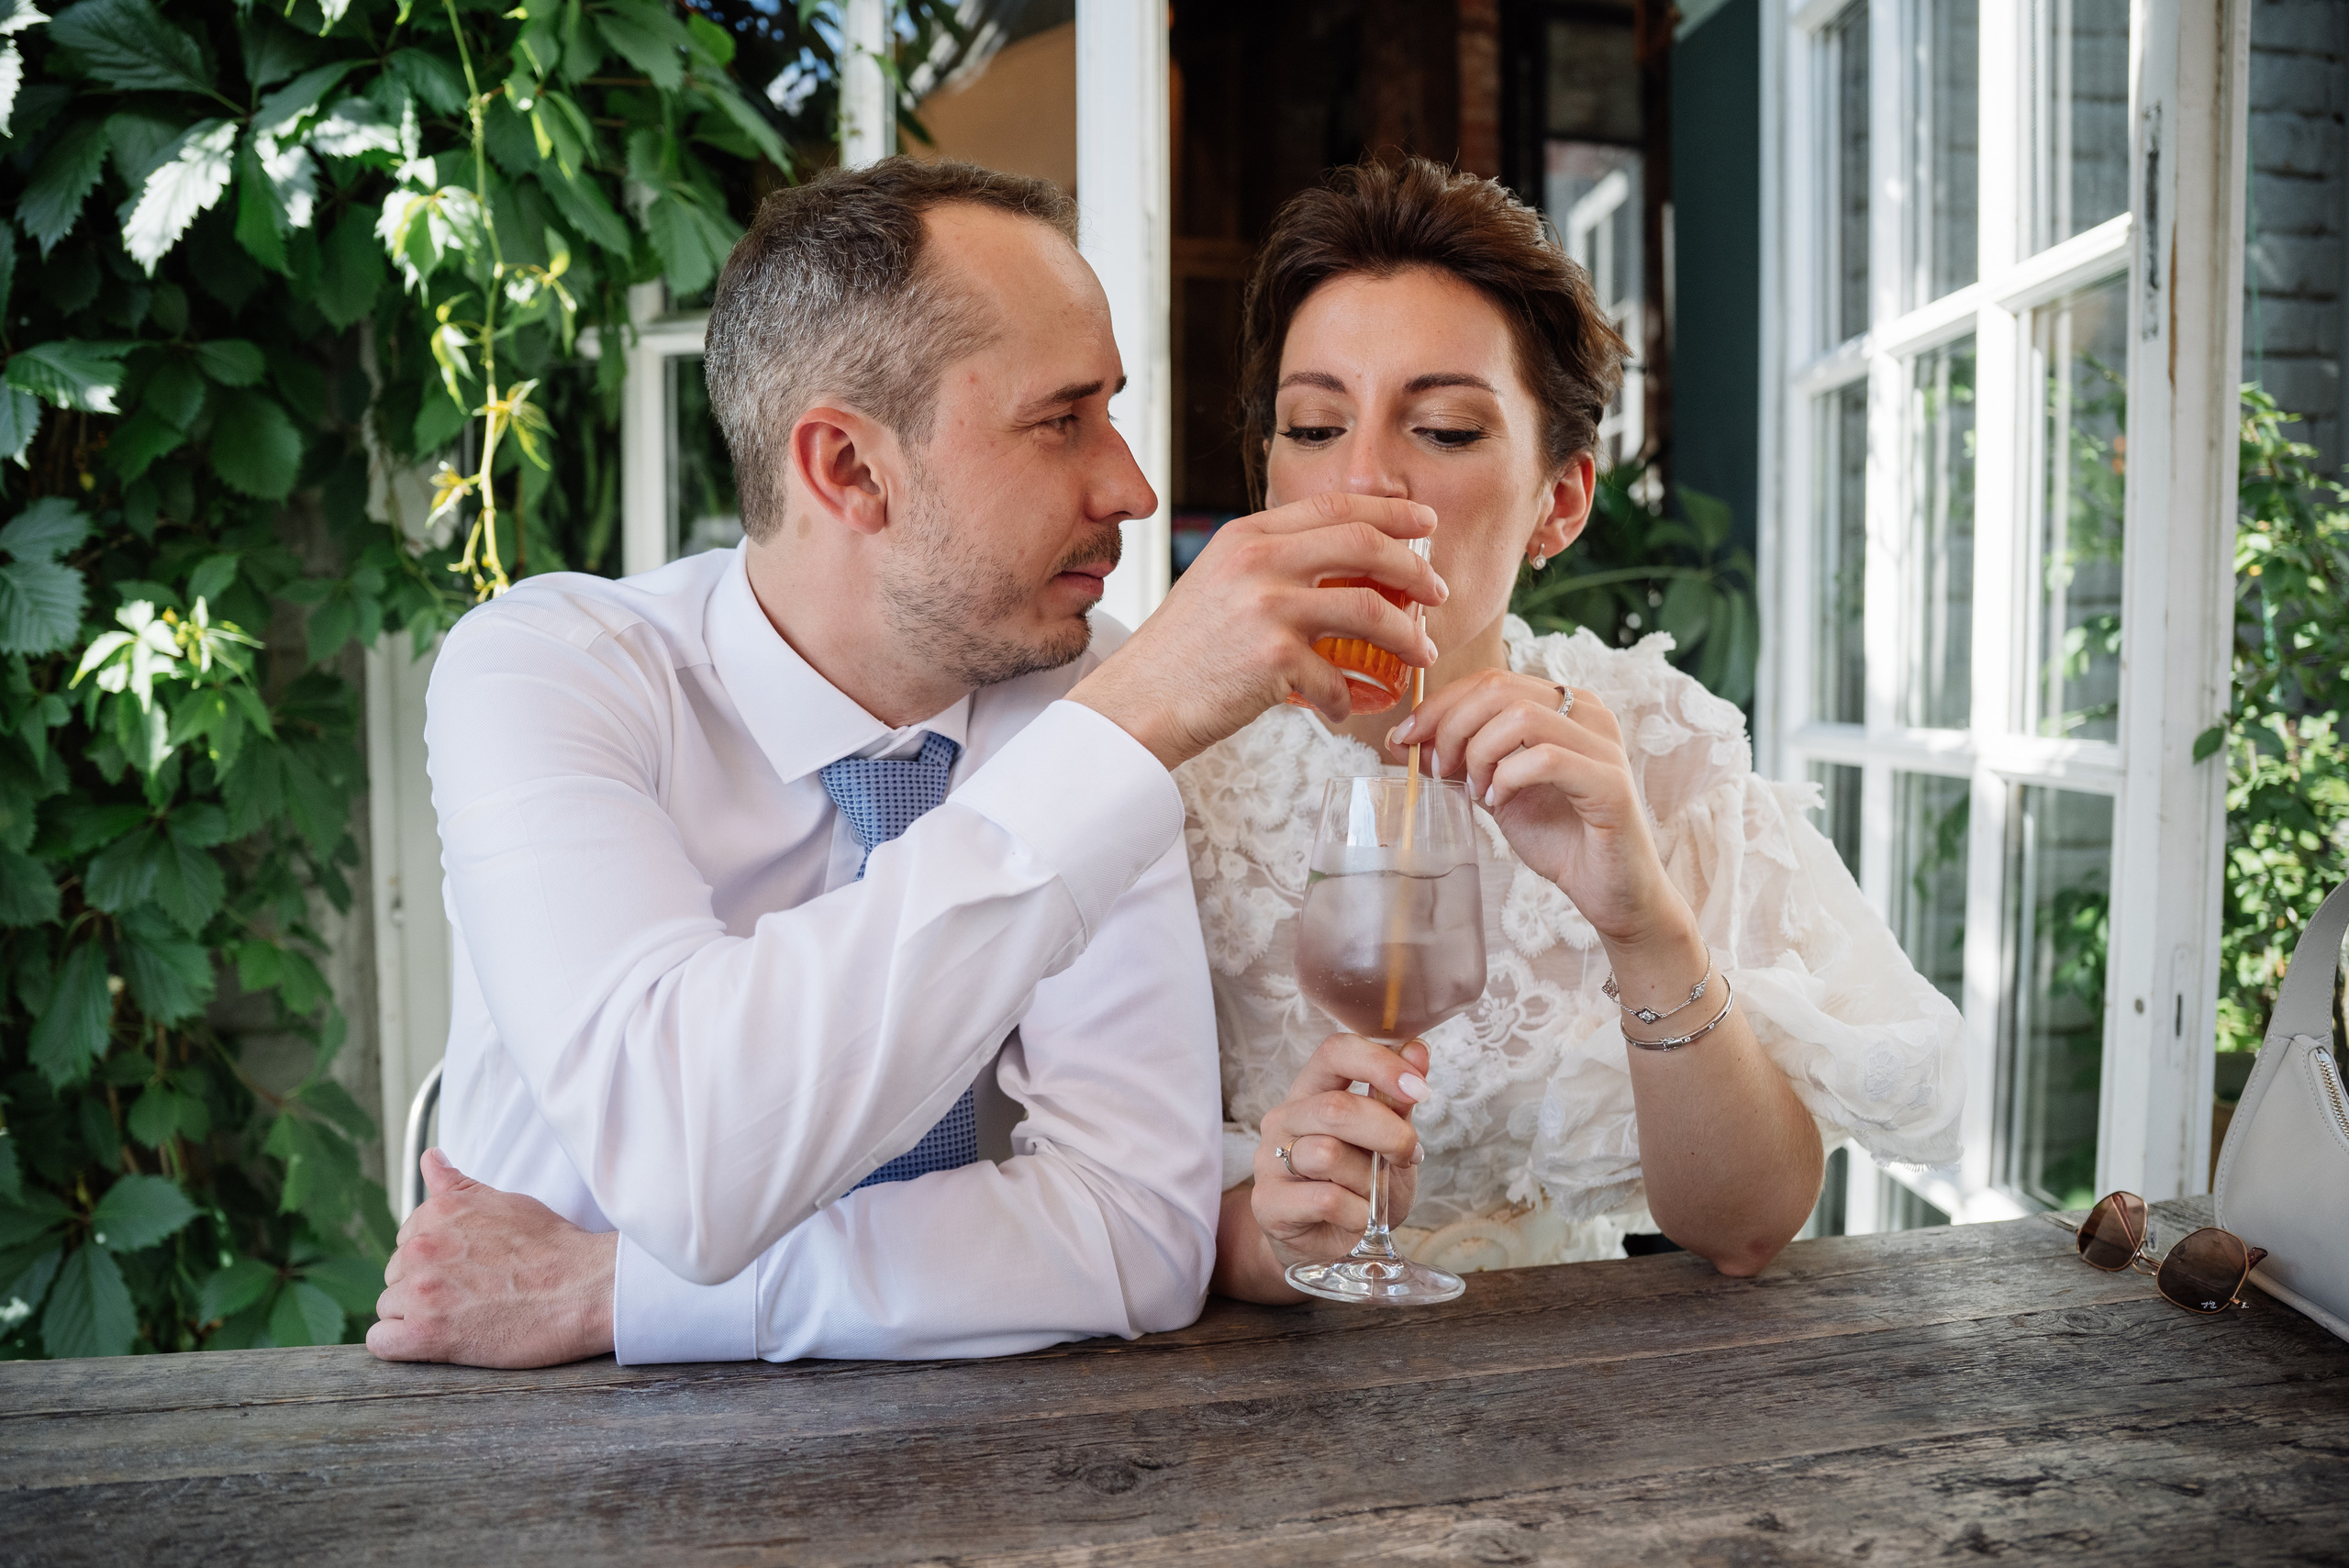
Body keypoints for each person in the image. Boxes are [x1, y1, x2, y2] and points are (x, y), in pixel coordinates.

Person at [367, 158, 1447, 1368]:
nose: (1133, 487)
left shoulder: (1078, 693)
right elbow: (697, 1162)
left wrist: (617, 1294)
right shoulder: (547, 673)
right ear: (848, 470)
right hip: (544, 1465)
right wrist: (1123, 732)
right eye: (1061, 421)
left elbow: (1139, 1229)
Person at [1196, 159, 1965, 1300]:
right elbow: (1067, 1192)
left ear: (1558, 500)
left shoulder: (1650, 742)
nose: (1359, 479)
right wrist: (1262, 1237)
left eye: (1446, 428)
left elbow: (1747, 1226)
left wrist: (1640, 916)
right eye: (1313, 424)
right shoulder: (1172, 758)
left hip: (1576, 1397)